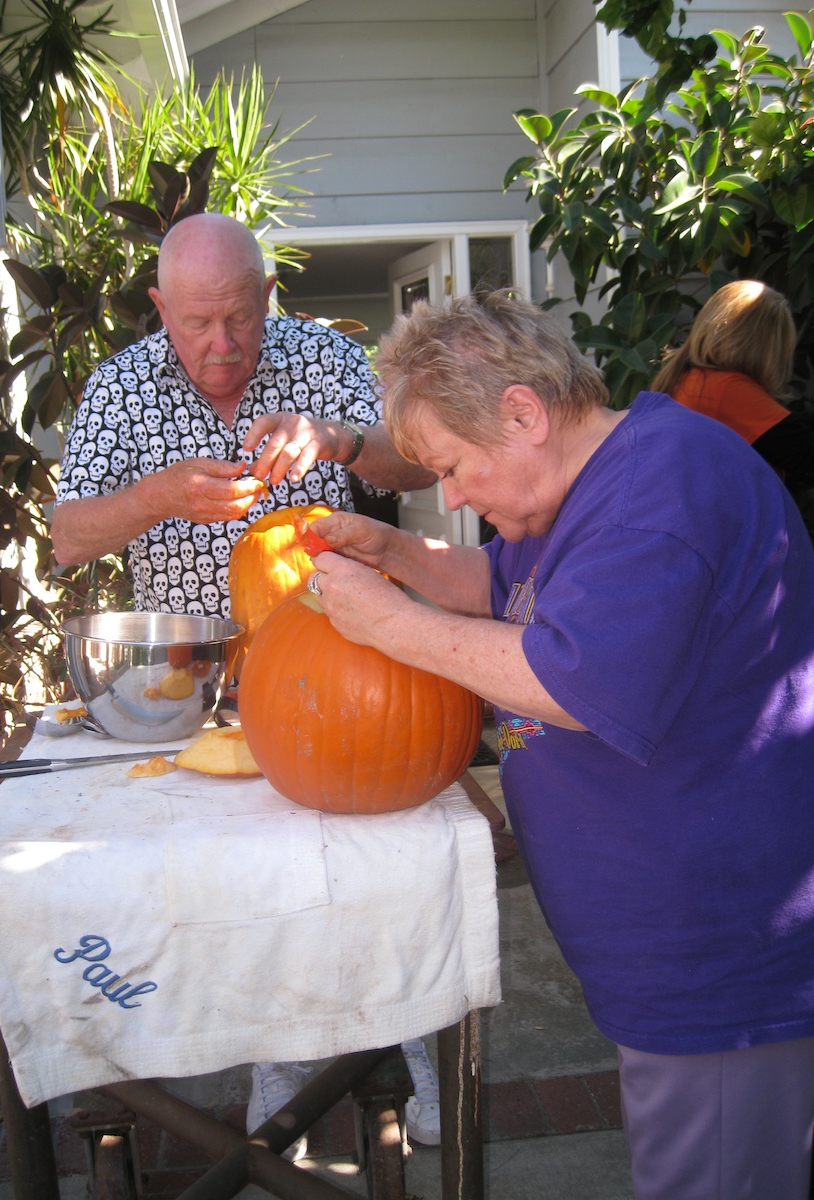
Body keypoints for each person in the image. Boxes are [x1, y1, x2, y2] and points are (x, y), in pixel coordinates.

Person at [304, 290, 814, 1200]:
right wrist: (398, 553)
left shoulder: (663, 492)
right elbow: (501, 588)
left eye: (454, 468)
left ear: (523, 413)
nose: (449, 496)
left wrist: (387, 624)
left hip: (717, 964)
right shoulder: (590, 487)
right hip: (664, 953)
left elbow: (572, 680)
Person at [51, 212, 442, 1152]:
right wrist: (159, 496)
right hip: (196, 695)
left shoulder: (320, 358)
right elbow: (67, 538)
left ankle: (412, 1033)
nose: (221, 345)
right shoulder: (121, 386)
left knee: (369, 870)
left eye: (239, 316)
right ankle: (280, 1057)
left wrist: (340, 442)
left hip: (340, 672)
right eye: (196, 323)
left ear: (269, 296)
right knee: (244, 893)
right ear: (160, 308)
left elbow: (419, 462)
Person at [652, 278, 814, 486]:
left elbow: (784, 429)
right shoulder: (726, 388)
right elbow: (801, 453)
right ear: (764, 347)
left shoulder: (689, 378)